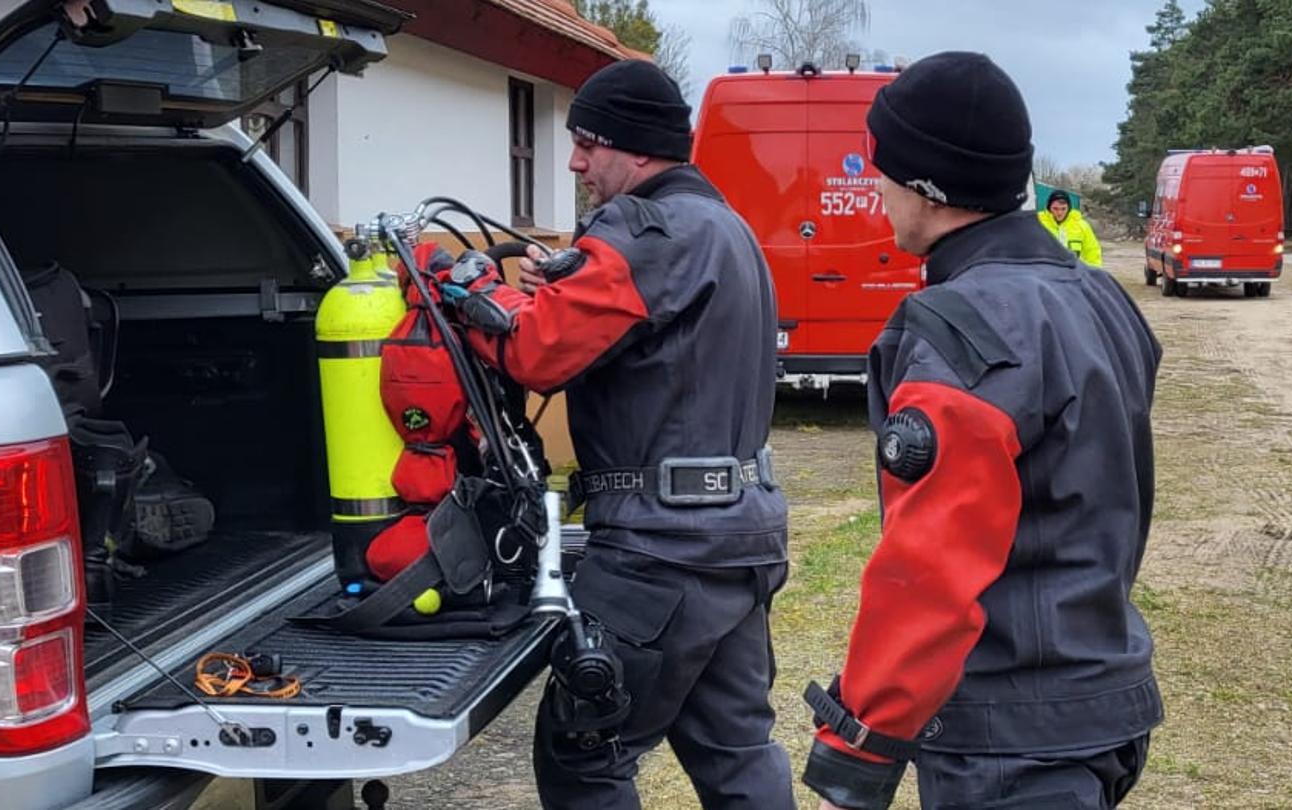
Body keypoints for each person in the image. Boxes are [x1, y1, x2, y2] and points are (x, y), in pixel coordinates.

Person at [799, 52, 1164, 810]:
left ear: (927, 185)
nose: (876, 186)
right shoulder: (1099, 297)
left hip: (1014, 737)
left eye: (883, 167)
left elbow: (928, 570)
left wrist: (855, 756)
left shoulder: (963, 329)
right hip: (1102, 699)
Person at [428, 58, 795, 810]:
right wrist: (565, 287)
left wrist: (470, 289)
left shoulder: (643, 229)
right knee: (736, 756)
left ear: (638, 147)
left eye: (588, 143)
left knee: (585, 755)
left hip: (661, 553)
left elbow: (537, 354)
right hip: (739, 542)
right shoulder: (724, 227)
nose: (575, 162)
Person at [1039, 189, 1104, 267]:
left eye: (1063, 208)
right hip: (1046, 272)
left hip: (1074, 272)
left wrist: (1094, 272)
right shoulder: (1038, 224)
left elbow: (1092, 251)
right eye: (1055, 208)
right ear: (1049, 208)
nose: (1059, 213)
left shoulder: (1082, 226)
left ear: (1069, 208)